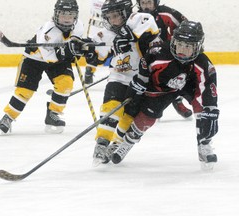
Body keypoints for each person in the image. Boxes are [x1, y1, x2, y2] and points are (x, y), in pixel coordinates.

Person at [111, 21, 220, 170]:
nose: (182, 50)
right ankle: (128, 141)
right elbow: (143, 74)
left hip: (189, 85)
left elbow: (206, 89)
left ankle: (204, 143)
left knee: (203, 109)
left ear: (198, 47)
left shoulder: (204, 64)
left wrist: (210, 109)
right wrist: (138, 85)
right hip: (161, 89)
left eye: (188, 46)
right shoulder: (158, 54)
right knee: (147, 116)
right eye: (180, 44)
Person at [87, 0, 160, 165]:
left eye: (116, 15)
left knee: (129, 117)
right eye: (109, 17)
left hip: (142, 79)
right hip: (119, 76)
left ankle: (116, 144)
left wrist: (128, 35)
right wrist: (81, 48)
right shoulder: (105, 33)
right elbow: (95, 54)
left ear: (126, 12)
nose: (113, 20)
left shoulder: (139, 18)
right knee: (111, 107)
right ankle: (102, 143)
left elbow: (150, 27)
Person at [0, 0, 85, 135]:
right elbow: (49, 57)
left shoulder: (79, 26)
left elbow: (76, 44)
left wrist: (80, 48)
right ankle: (8, 117)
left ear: (76, 16)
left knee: (66, 84)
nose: (67, 19)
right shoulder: (48, 31)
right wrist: (68, 52)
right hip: (34, 59)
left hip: (58, 59)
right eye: (63, 15)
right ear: (56, 15)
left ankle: (53, 114)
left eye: (70, 15)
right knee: (25, 92)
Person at [136, 0, 193, 119]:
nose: (146, 6)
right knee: (147, 83)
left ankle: (177, 101)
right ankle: (149, 107)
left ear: (156, 2)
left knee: (174, 78)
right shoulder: (135, 18)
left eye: (149, 3)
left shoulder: (166, 13)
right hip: (144, 57)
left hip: (164, 56)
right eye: (143, 3)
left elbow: (185, 27)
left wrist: (172, 45)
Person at [84, 0, 106, 84]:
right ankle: (117, 74)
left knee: (92, 54)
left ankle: (90, 68)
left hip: (93, 29)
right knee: (112, 52)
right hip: (107, 29)